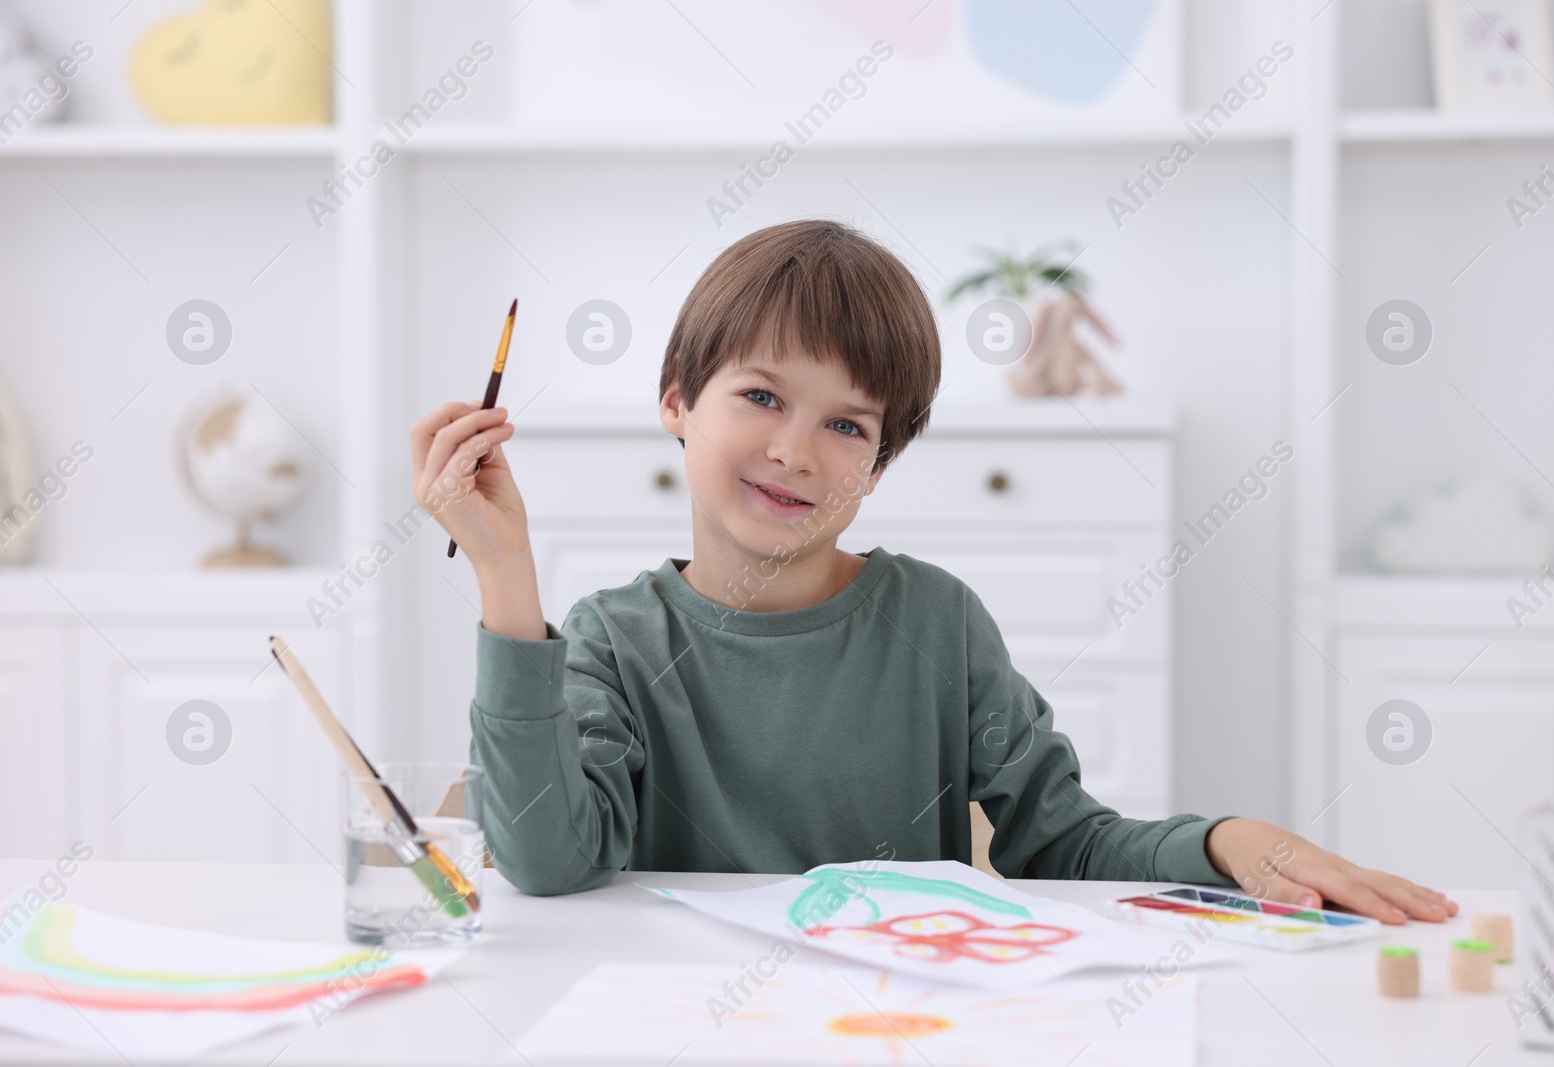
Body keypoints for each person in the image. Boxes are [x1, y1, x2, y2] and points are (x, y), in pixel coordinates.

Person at [409, 218, 1457, 924]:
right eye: (762, 397)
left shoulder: (937, 622)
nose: (795, 451)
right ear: (678, 398)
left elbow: (1066, 842)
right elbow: (548, 859)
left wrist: (1222, 839)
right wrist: (508, 579)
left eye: (846, 423)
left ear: (879, 460)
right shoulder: (604, 637)